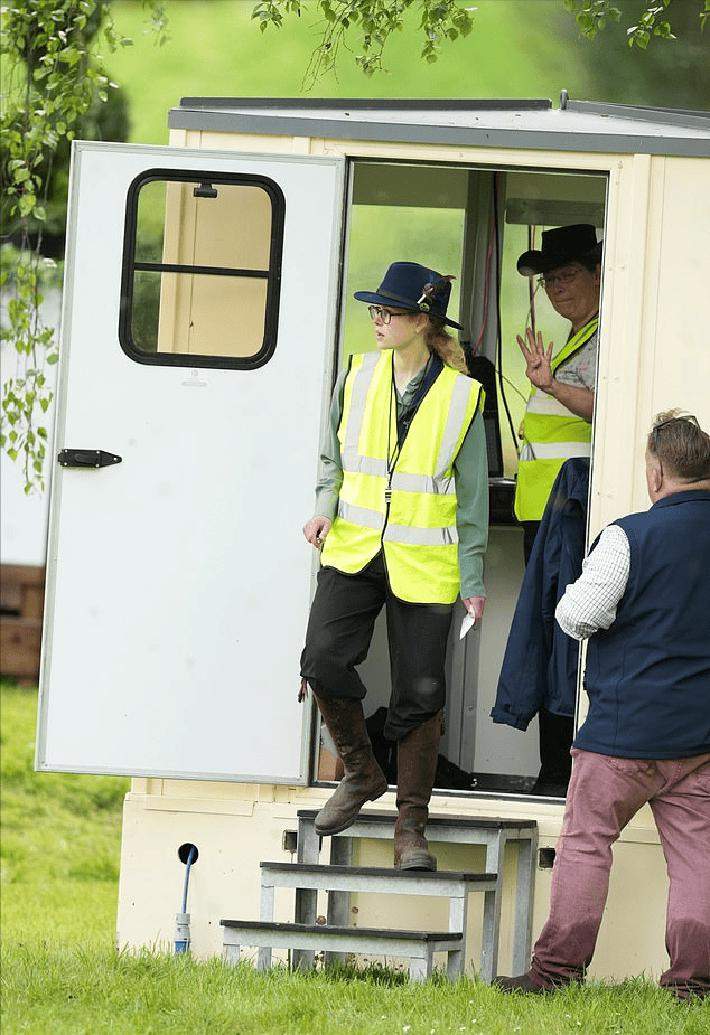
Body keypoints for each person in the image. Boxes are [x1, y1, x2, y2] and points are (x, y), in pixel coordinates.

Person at [496, 411, 710, 999]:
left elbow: (577, 615)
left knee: (587, 844)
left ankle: (556, 973)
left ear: (657, 473)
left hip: (621, 731)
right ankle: (693, 985)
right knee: (699, 858)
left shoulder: (628, 536)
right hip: (700, 740)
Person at [299, 261, 488, 871]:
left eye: (389, 311)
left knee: (421, 692)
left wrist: (475, 579)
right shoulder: (357, 374)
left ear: (421, 321)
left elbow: (475, 495)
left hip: (426, 560)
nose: (377, 320)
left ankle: (412, 829)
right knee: (322, 658)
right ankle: (359, 770)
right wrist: (325, 509)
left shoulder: (465, 396)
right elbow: (332, 457)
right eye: (375, 310)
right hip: (353, 547)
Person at [514, 223, 603, 793]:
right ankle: (551, 767)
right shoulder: (574, 336)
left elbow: (606, 407)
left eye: (567, 275)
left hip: (573, 515)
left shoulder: (606, 337)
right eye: (549, 280)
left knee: (564, 638)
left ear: (599, 275)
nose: (555, 288)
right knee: (544, 638)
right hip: (542, 512)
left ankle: (561, 772)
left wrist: (549, 386)